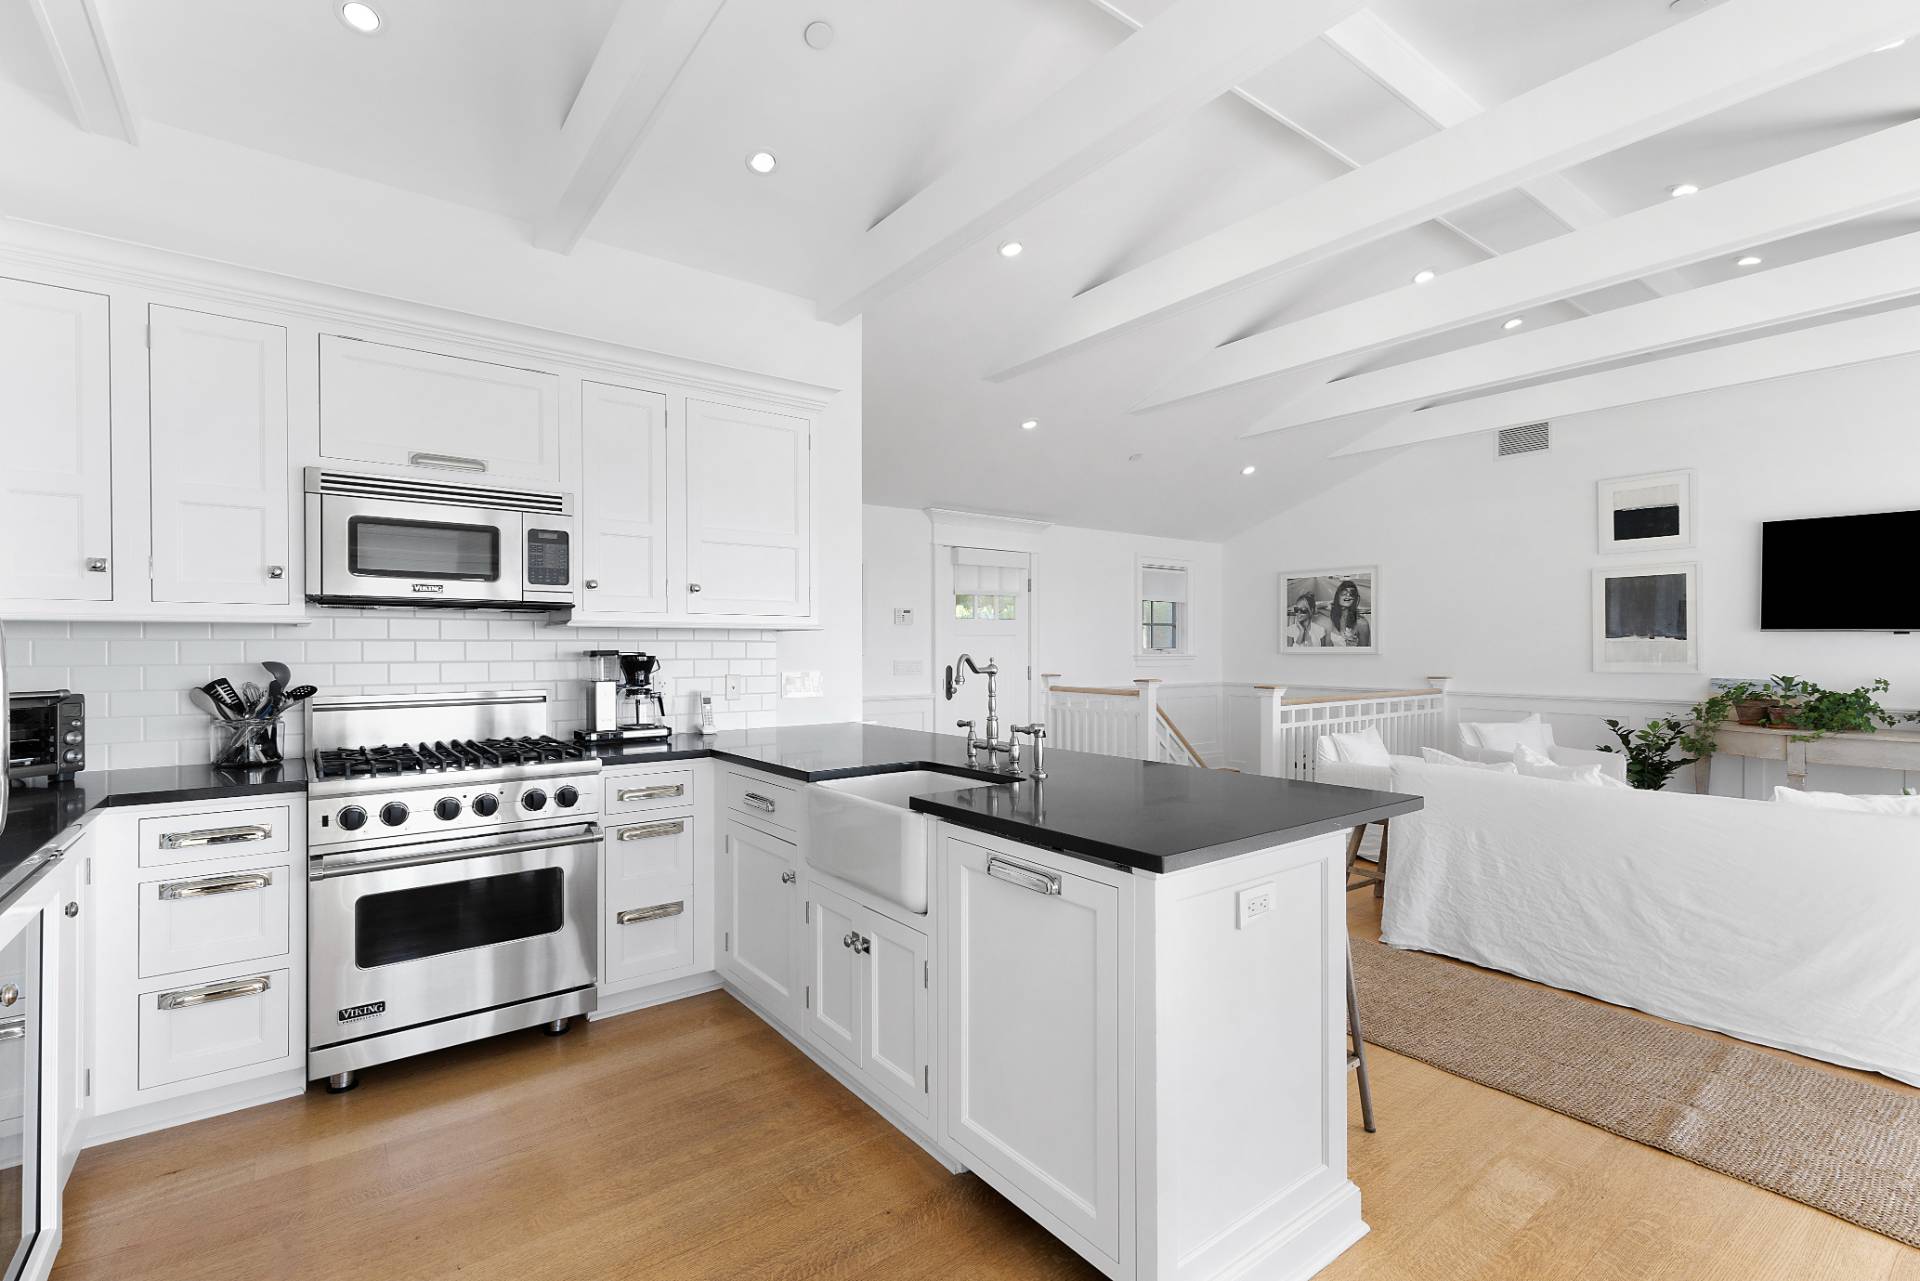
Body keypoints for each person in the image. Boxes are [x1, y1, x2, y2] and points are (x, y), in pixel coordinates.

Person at [1324, 579, 1370, 648]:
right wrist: (1325, 604)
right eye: (1344, 593)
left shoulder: (1361, 623)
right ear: (1337, 596)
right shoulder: (1329, 615)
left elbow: (1365, 654)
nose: (1348, 595)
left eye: (1352, 593)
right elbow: (1309, 608)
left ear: (1355, 599)